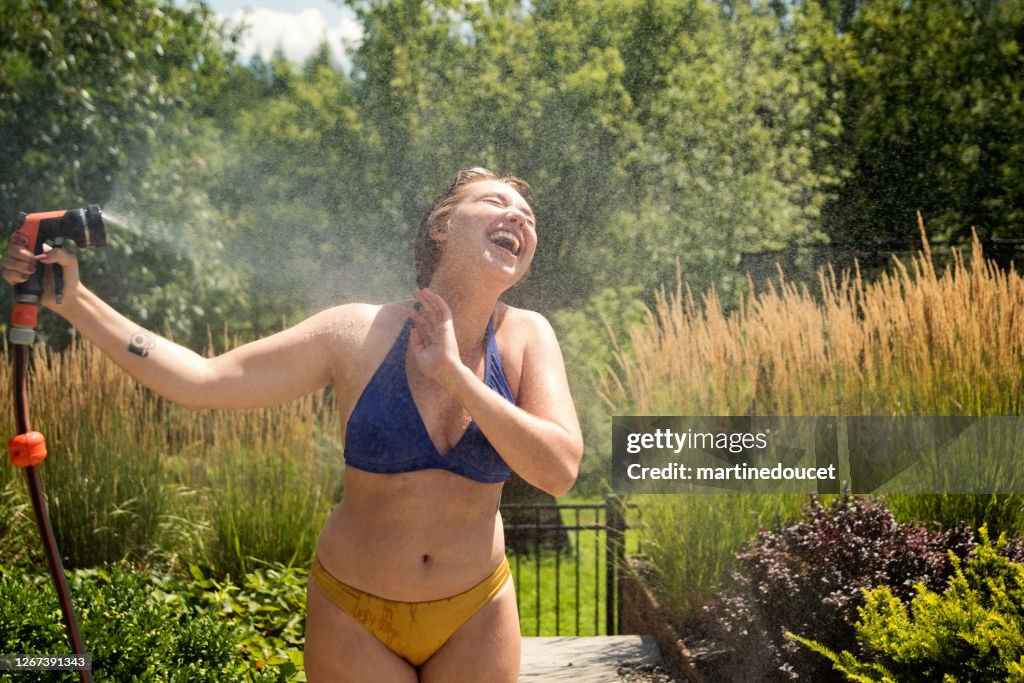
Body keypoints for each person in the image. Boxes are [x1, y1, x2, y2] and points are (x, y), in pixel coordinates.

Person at [3, 167, 584, 682]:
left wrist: (456, 376)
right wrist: (76, 301)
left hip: (475, 613)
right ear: (441, 227)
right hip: (355, 614)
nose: (518, 218)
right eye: (495, 202)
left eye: (528, 216)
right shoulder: (356, 333)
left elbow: (558, 470)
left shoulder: (528, 336)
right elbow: (201, 381)